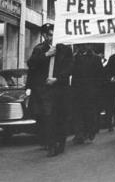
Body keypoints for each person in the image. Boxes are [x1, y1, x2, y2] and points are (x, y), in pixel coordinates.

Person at [26, 24, 73, 157]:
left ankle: (60, 142)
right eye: (47, 35)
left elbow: (70, 68)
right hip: (45, 91)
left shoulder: (65, 49)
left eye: (52, 35)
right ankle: (51, 144)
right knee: (48, 117)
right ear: (44, 36)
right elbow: (31, 64)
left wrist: (57, 79)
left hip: (60, 89)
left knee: (61, 117)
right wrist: (46, 55)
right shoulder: (39, 49)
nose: (49, 38)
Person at [71, 44, 104, 144]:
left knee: (89, 113)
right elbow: (73, 73)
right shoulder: (75, 58)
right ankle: (79, 134)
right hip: (78, 91)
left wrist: (97, 90)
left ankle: (90, 131)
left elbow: (100, 75)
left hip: (91, 91)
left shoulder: (96, 59)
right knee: (78, 113)